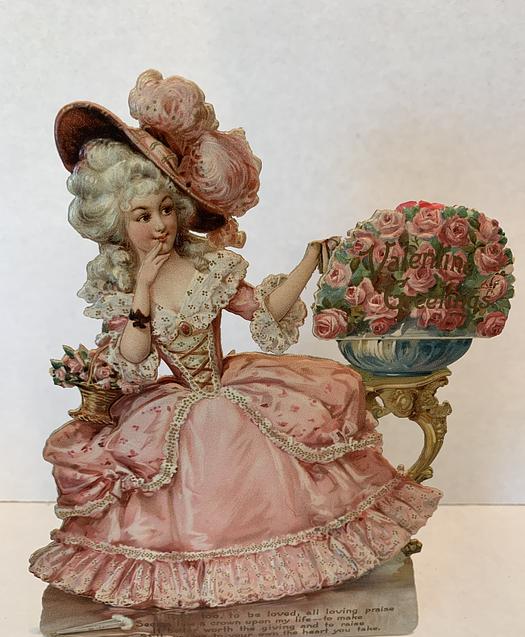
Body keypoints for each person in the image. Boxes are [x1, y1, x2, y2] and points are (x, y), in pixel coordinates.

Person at [29, 70, 441, 609]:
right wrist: (144, 288)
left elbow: (264, 311)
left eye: (167, 209)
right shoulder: (123, 287)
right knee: (193, 493)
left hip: (232, 390)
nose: (160, 225)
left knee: (280, 462)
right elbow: (133, 360)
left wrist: (308, 261)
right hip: (176, 410)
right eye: (143, 215)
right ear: (116, 222)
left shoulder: (207, 267)